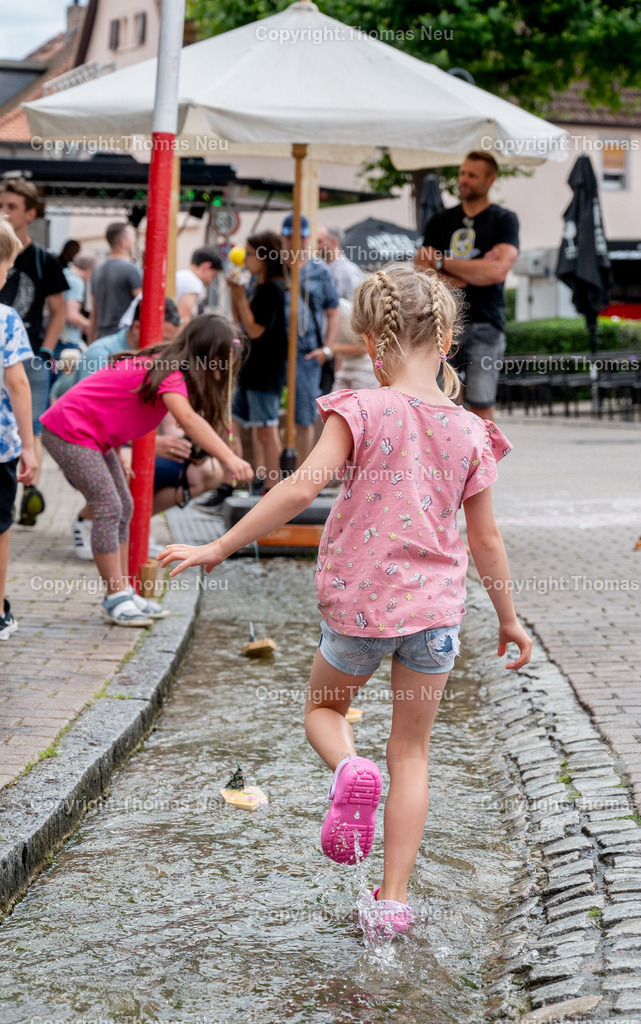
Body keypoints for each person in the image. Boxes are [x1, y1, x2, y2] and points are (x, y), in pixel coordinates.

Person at [158, 263, 532, 938]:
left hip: (360, 607)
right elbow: (485, 537)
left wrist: (219, 548)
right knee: (412, 753)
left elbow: (299, 491)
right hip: (435, 618)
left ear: (371, 340)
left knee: (324, 709)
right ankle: (391, 903)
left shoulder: (359, 409)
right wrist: (507, 618)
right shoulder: (471, 431)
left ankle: (347, 767)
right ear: (446, 338)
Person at [40, 314, 254, 627]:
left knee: (124, 505)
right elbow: (191, 421)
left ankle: (124, 589)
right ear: (208, 355)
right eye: (223, 360)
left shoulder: (168, 367)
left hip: (94, 437)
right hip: (68, 431)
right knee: (109, 506)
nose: (225, 369)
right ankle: (115, 596)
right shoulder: (170, 372)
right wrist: (229, 460)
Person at [68, 297, 218, 558]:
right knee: (124, 467)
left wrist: (184, 445)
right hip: (92, 446)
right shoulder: (101, 354)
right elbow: (92, 423)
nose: (166, 346)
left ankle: (134, 527)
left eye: (172, 340)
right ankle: (88, 521)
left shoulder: (164, 360)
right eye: (162, 337)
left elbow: (173, 420)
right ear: (138, 326)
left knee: (208, 471)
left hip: (137, 447)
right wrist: (151, 445)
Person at [416, 151, 519, 421]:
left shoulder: (504, 220)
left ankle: (484, 463)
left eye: (472, 175)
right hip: (442, 323)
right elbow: (422, 271)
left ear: (490, 180)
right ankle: (448, 462)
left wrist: (441, 262)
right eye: (462, 173)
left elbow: (496, 271)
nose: (464, 180)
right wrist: (469, 272)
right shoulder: (439, 220)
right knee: (440, 401)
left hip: (486, 324)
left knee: (482, 404)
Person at [198, 230, 287, 510]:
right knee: (233, 424)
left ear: (264, 257)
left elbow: (256, 329)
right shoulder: (258, 287)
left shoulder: (273, 289)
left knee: (266, 429)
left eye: (250, 254)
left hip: (266, 369)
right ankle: (232, 483)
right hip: (250, 367)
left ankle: (274, 486)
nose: (245, 259)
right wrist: (238, 294)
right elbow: (241, 324)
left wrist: (238, 294)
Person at [0, 178, 68, 527]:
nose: (4, 212)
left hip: (29, 355)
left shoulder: (43, 260)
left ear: (29, 213)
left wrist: (45, 349)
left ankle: (29, 494)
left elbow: (59, 310)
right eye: (2, 205)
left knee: (32, 425)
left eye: (12, 207)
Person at [0, 220, 38, 639]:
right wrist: (30, 447)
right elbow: (18, 383)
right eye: (7, 268)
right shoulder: (6, 319)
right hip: (2, 445)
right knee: (0, 528)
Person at [281, 213, 339, 462]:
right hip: (275, 353)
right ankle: (273, 478)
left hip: (307, 354)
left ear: (307, 240)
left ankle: (301, 475)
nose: (295, 242)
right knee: (270, 416)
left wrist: (326, 350)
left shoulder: (320, 271)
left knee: (304, 416)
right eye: (290, 237)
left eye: (301, 238)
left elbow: (333, 312)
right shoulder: (274, 267)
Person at [89, 222, 142, 341]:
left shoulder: (97, 270)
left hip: (102, 337)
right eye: (134, 236)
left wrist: (91, 342)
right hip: (124, 338)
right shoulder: (131, 269)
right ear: (124, 242)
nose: (135, 240)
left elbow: (94, 312)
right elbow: (143, 303)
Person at [57, 253, 94, 359]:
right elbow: (71, 315)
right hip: (67, 340)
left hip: (54, 336)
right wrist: (89, 325)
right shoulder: (76, 282)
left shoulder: (64, 274)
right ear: (89, 268)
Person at [175, 247, 223, 323]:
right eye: (213, 275)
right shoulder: (194, 283)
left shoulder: (182, 275)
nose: (211, 281)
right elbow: (183, 318)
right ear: (206, 267)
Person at [317, 225, 363, 300]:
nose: (316, 246)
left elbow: (356, 304)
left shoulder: (349, 271)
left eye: (320, 242)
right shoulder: (319, 267)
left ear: (334, 242)